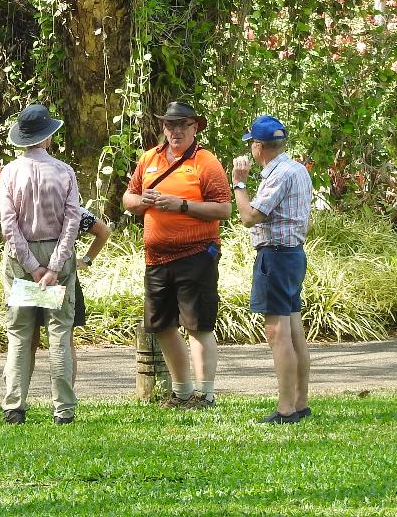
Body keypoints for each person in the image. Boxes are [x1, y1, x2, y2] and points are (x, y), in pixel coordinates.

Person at [123, 100, 231, 409]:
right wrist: (141, 200)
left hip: (196, 254)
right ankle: (182, 393)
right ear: (164, 128)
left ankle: (205, 394)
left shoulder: (205, 162)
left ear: (195, 127)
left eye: (183, 125)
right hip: (156, 258)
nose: (176, 131)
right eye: (171, 125)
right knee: (162, 326)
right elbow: (128, 197)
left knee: (198, 326)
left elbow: (223, 208)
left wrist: (181, 204)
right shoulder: (149, 159)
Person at [0, 104, 81, 424]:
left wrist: (33, 267)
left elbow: (9, 225)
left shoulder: (10, 172)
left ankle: (14, 406)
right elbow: (72, 222)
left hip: (21, 259)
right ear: (48, 137)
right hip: (56, 255)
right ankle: (63, 410)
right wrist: (54, 267)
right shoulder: (63, 171)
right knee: (60, 332)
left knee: (19, 332)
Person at [232, 114, 313, 424]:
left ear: (259, 146)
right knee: (294, 332)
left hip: (276, 257)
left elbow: (250, 216)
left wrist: (239, 183)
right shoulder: (298, 169)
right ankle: (300, 402)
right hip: (293, 254)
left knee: (277, 332)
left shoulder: (278, 173)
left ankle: (286, 408)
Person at [31, 206, 111, 385]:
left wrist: (86, 261)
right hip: (34, 279)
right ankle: (26, 402)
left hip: (56, 278)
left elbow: (103, 231)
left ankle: (62, 400)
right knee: (31, 340)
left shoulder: (72, 209)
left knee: (62, 340)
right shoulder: (68, 207)